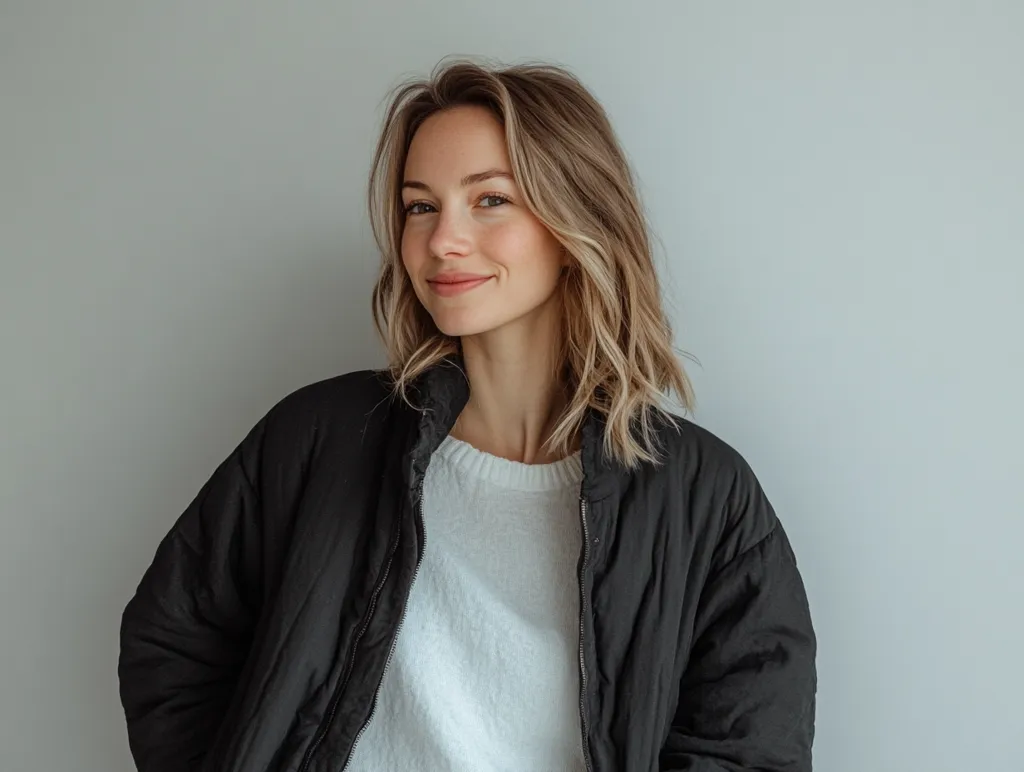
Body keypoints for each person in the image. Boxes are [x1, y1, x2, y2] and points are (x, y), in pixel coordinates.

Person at [118, 58, 816, 772]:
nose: (442, 240)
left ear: (575, 222)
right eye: (420, 206)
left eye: (490, 199)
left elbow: (749, 746)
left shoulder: (704, 495)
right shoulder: (320, 439)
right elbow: (172, 643)